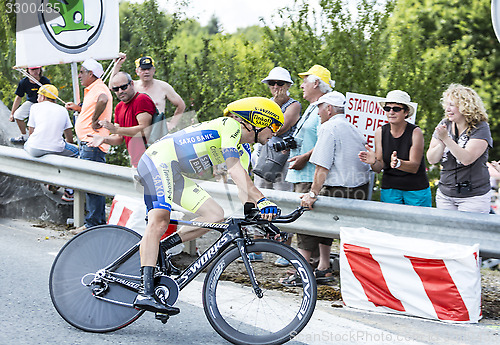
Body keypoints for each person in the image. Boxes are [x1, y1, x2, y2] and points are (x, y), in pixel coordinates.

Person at [133, 97, 283, 314]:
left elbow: (243, 187)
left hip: (174, 172)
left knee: (215, 215)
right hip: (158, 161)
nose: (276, 133)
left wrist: (259, 217)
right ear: (257, 120)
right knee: (160, 220)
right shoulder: (231, 126)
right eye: (275, 126)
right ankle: (145, 292)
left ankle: (162, 249)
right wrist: (262, 199)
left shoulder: (243, 150)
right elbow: (232, 169)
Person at [283, 92, 370, 285]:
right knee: (325, 222)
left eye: (319, 108)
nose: (318, 112)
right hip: (358, 190)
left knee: (306, 218)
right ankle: (324, 268)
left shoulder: (329, 127)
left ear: (328, 109)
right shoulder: (352, 128)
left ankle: (302, 270)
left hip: (339, 188)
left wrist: (312, 193)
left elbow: (322, 166)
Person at [249, 67, 301, 266]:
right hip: (263, 154)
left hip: (283, 157)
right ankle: (257, 246)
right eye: (272, 83)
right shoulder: (265, 103)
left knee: (282, 199)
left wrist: (265, 121)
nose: (276, 87)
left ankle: (285, 248)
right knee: (260, 196)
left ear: (288, 86)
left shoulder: (293, 105)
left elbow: (280, 128)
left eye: (280, 83)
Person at [285, 64, 334, 268]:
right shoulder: (313, 108)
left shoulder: (323, 108)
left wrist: (305, 156)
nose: (302, 84)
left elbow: (327, 140)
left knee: (305, 226)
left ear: (316, 83)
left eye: (305, 80)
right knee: (309, 226)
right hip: (302, 174)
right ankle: (317, 267)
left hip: (309, 175)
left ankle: (304, 270)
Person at [358, 90, 432, 206]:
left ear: (406, 112)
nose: (391, 112)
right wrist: (373, 162)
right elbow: (379, 167)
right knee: (390, 224)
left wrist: (398, 163)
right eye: (387, 109)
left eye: (396, 109)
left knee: (418, 224)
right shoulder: (380, 132)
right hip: (390, 189)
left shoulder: (415, 132)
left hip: (415, 190)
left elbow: (414, 167)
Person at [426, 84, 492, 213]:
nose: (447, 109)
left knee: (469, 233)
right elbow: (432, 159)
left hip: (473, 197)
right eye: (446, 104)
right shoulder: (445, 124)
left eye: (452, 105)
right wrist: (442, 143)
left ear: (466, 106)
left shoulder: (480, 128)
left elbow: (466, 159)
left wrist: (446, 139)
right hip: (445, 194)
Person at [65, 58, 113, 231]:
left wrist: (93, 120)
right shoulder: (93, 88)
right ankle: (96, 222)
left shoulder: (99, 88)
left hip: (92, 143)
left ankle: (92, 224)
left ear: (91, 74)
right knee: (94, 185)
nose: (79, 75)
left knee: (92, 185)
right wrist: (79, 110)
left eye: (82, 72)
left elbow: (102, 100)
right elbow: (96, 104)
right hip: (91, 143)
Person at [87, 71, 156, 168]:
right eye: (116, 89)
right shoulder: (119, 107)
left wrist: (116, 130)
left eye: (123, 87)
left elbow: (145, 130)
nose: (120, 91)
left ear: (131, 84)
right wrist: (103, 139)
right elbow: (118, 138)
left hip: (153, 160)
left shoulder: (141, 99)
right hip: (137, 163)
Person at [24, 84, 78, 201]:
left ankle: (51, 181)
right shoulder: (62, 110)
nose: (37, 98)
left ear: (43, 97)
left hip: (34, 148)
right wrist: (69, 145)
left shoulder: (34, 107)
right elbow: (68, 134)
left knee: (27, 144)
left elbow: (31, 132)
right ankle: (69, 192)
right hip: (55, 147)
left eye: (38, 95)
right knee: (76, 152)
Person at [110, 53, 185, 134]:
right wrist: (117, 64)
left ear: (154, 70)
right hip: (138, 133)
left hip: (157, 131)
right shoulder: (131, 87)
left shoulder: (163, 86)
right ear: (137, 71)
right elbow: (112, 86)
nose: (146, 72)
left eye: (149, 69)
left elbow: (181, 105)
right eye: (143, 69)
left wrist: (172, 124)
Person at [9, 66, 50, 144]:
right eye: (32, 69)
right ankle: (24, 136)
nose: (35, 71)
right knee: (18, 115)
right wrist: (12, 113)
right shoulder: (24, 82)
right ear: (28, 70)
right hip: (31, 103)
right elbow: (18, 97)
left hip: (43, 104)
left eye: (37, 69)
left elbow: (51, 96)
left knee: (38, 121)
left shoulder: (45, 81)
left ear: (40, 69)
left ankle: (40, 140)